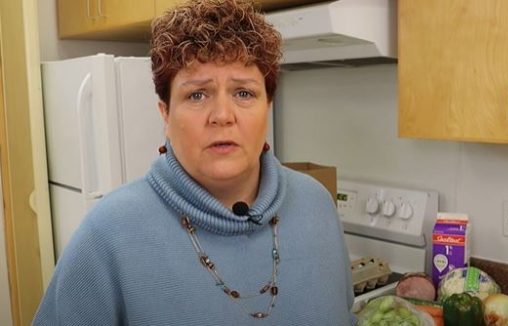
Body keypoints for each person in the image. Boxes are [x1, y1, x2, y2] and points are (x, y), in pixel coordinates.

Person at [34, 0, 356, 324]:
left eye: (243, 93)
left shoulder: (317, 205)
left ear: (268, 106)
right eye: (197, 95)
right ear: (165, 113)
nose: (222, 116)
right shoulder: (106, 237)